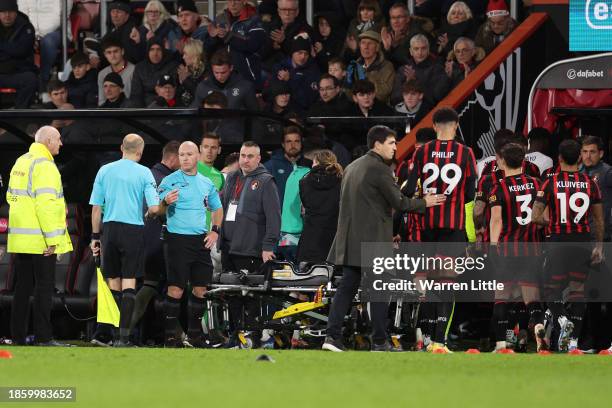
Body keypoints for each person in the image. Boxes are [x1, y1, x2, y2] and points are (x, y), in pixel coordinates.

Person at [322, 125, 446, 352]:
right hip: (373, 240)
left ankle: (332, 337)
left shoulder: (351, 166)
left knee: (347, 288)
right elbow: (400, 202)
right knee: (380, 289)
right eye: (391, 143)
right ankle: (379, 341)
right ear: (377, 144)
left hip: (349, 238)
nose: (395, 148)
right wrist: (425, 202)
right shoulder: (379, 169)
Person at [404, 107, 478, 353]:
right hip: (453, 227)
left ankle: (425, 337)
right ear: (456, 125)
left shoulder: (422, 151)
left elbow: (407, 188)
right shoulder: (466, 153)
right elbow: (470, 193)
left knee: (427, 282)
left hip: (426, 226)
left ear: (434, 125)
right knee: (446, 283)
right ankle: (440, 341)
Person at [532, 139, 604, 353]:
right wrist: (598, 246)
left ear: (559, 158)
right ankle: (572, 343)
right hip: (582, 242)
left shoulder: (550, 182)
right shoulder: (591, 183)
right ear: (580, 158)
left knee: (549, 291)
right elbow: (599, 220)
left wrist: (554, 221)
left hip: (558, 241)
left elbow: (536, 217)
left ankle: (562, 320)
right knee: (577, 291)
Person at [89, 134, 160, 347]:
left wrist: (95, 237)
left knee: (113, 283)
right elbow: (155, 208)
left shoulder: (105, 170)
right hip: (133, 230)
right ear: (140, 152)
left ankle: (108, 336)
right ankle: (124, 337)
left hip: (109, 230)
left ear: (122, 147)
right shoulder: (144, 172)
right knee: (130, 283)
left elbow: (96, 208)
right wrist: (149, 215)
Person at [7, 126, 73, 346]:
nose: (61, 143)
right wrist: (53, 239)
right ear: (47, 141)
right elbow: (45, 206)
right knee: (44, 287)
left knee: (22, 287)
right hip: (40, 239)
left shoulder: (21, 161)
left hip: (21, 237)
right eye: (58, 139)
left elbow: (11, 197)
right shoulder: (45, 166)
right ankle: (43, 337)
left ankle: (17, 337)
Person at [158, 142, 223, 348]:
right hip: (176, 239)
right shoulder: (169, 181)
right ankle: (170, 337)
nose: (185, 158)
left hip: (200, 240)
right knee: (176, 289)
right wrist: (165, 203)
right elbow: (155, 211)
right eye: (181, 155)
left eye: (189, 154)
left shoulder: (206, 182)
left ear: (197, 156)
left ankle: (194, 336)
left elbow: (217, 208)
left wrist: (215, 231)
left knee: (200, 289)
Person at [220, 141, 281, 346]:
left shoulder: (265, 181)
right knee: (233, 295)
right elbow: (221, 205)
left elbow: (274, 217)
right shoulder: (232, 178)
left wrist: (268, 246)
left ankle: (253, 337)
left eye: (250, 156)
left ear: (258, 158)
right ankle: (235, 336)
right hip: (229, 246)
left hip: (251, 248)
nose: (245, 160)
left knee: (251, 296)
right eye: (243, 156)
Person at [487, 142, 546, 352]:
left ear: (501, 161)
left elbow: (496, 220)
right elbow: (544, 217)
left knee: (501, 298)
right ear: (523, 161)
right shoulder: (537, 184)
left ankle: (502, 345)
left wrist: (492, 247)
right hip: (532, 250)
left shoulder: (498, 187)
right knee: (531, 298)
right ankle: (538, 327)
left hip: (507, 250)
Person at [130, 141, 180, 337]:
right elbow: (162, 213)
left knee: (152, 287)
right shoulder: (165, 181)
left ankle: (140, 335)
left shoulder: (148, 174)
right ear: (173, 157)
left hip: (142, 240)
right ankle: (122, 332)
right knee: (155, 287)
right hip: (157, 242)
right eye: (181, 156)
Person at [193, 50, 258, 144]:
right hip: (209, 143)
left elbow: (255, 117)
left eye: (223, 72)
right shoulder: (202, 87)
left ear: (231, 68)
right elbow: (195, 118)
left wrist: (253, 143)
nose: (219, 76)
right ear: (212, 69)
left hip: (236, 141)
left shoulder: (245, 87)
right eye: (216, 72)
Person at [297, 149, 342, 265]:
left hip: (310, 240)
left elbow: (306, 204)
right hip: (333, 241)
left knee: (307, 280)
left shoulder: (304, 182)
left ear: (316, 163)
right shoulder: (342, 182)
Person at [205, 0, 266, 85]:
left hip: (246, 79)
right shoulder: (220, 19)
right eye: (230, 0)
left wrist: (228, 36)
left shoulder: (254, 20)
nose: (233, 4)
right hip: (221, 78)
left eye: (236, 0)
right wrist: (213, 38)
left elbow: (253, 45)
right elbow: (207, 50)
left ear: (244, 1)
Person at [390, 34, 449, 106]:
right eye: (416, 49)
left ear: (428, 50)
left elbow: (436, 97)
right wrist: (407, 84)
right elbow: (394, 99)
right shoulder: (403, 70)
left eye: (423, 48)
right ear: (411, 51)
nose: (420, 52)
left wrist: (414, 82)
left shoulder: (437, 69)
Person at [0, 0, 38, 108]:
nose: (7, 15)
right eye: (3, 12)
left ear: (16, 12)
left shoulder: (26, 26)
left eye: (10, 12)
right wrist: (11, 50)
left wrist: (2, 47)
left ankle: (20, 113)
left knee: (30, 79)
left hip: (18, 71)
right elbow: (16, 51)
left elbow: (22, 51)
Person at [265, 126, 311, 206]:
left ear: (301, 143)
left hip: (304, 216)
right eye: (288, 141)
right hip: (279, 215)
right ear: (283, 144)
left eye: (296, 141)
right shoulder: (271, 166)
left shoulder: (310, 165)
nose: (293, 145)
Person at [272, 35, 320, 112]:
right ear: (292, 53)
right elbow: (268, 93)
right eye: (299, 53)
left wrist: (290, 80)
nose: (303, 57)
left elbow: (306, 101)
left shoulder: (313, 71)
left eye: (306, 54)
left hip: (298, 114)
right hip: (277, 112)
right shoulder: (279, 67)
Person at [381, 3, 434, 68]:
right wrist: (386, 49)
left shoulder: (418, 33)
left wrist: (395, 46)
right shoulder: (388, 33)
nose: (395, 21)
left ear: (407, 19)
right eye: (393, 18)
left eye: (399, 17)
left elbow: (406, 63)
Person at [348, 31, 394, 104]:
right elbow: (348, 89)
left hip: (379, 108)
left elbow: (383, 93)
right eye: (363, 43)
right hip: (358, 107)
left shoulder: (386, 66)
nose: (366, 47)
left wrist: (369, 76)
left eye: (370, 43)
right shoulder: (355, 65)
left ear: (377, 48)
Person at [130, 39, 180, 107]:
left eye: (158, 49)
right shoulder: (140, 67)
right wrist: (141, 113)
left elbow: (173, 92)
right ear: (148, 52)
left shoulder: (173, 66)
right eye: (152, 49)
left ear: (163, 51)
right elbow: (136, 94)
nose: (155, 53)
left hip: (168, 106)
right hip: (145, 108)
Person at [580, 136, 612, 241]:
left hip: (601, 236)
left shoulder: (607, 172)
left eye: (592, 152)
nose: (587, 156)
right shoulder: (577, 172)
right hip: (582, 235)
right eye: (585, 151)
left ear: (601, 154)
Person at [97, 37, 136, 104]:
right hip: (109, 112)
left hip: (129, 110)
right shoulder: (102, 74)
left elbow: (136, 99)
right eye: (109, 52)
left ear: (122, 51)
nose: (113, 55)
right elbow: (102, 101)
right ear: (105, 55)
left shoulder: (134, 70)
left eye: (115, 51)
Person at [176, 38, 206, 107]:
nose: (183, 57)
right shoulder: (185, 70)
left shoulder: (205, 73)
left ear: (194, 54)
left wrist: (186, 80)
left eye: (185, 54)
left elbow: (201, 94)